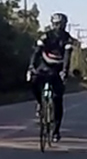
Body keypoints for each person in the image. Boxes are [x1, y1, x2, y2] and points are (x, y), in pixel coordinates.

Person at [29, 13, 77, 141]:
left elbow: (67, 56)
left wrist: (64, 71)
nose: (58, 27)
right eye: (56, 24)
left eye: (61, 24)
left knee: (57, 99)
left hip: (59, 68)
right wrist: (31, 66)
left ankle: (56, 131)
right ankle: (40, 103)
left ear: (65, 25)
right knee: (33, 81)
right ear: (52, 24)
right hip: (44, 66)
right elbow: (37, 51)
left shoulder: (68, 38)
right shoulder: (46, 35)